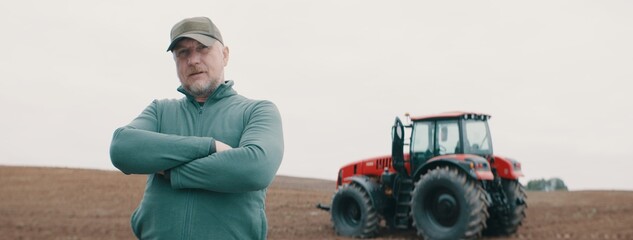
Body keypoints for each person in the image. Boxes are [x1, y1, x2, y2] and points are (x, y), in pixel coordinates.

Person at [110, 16, 284, 239]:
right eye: (182, 52)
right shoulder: (160, 111)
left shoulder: (257, 111)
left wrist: (173, 173)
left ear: (225, 55)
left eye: (202, 48)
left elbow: (256, 168)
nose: (193, 60)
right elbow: (122, 148)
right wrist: (209, 146)